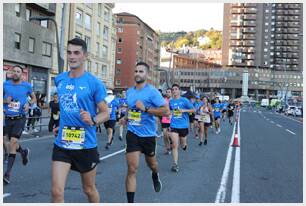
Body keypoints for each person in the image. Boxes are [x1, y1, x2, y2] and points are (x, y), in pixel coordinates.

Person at [51, 38, 109, 203]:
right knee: (56, 192)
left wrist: (92, 119)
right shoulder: (60, 79)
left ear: (85, 56)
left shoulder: (94, 83)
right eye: (69, 52)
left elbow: (105, 113)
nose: (72, 56)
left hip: (86, 145)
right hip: (63, 143)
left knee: (89, 190)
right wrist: (60, 125)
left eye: (76, 53)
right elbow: (67, 105)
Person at [120, 61, 170, 203]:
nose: (137, 74)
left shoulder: (152, 92)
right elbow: (131, 109)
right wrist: (125, 117)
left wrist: (146, 109)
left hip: (148, 135)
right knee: (132, 168)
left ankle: (155, 175)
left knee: (152, 164)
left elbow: (166, 111)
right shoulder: (129, 92)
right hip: (133, 133)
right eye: (136, 71)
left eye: (141, 71)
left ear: (147, 74)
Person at [3, 65, 36, 184]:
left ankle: (7, 174)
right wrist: (5, 101)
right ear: (11, 72)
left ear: (22, 74)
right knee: (10, 142)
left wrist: (29, 104)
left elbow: (34, 98)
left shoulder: (26, 85)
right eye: (14, 71)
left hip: (20, 118)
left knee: (12, 143)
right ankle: (23, 152)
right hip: (7, 118)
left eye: (18, 71)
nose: (16, 73)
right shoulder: (5, 85)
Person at [169, 84, 195, 172]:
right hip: (174, 125)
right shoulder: (171, 101)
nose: (174, 91)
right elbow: (169, 111)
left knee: (182, 144)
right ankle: (175, 164)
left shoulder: (184, 100)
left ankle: (184, 145)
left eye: (176, 89)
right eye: (173, 89)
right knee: (174, 145)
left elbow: (193, 110)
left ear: (179, 91)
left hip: (183, 126)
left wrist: (184, 110)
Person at [161, 88, 172, 155]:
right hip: (164, 119)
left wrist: (171, 114)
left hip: (172, 119)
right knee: (165, 135)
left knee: (169, 135)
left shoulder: (173, 100)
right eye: (167, 92)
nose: (168, 93)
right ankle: (168, 149)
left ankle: (172, 142)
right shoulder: (164, 100)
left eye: (169, 92)